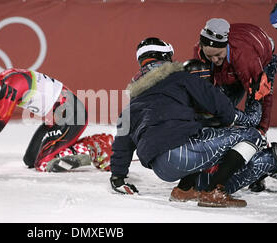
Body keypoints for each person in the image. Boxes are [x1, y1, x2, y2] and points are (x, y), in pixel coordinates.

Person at [109, 37, 265, 207]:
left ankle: (185, 190)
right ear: (166, 57)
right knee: (253, 136)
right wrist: (247, 117)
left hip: (161, 169)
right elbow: (217, 103)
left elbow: (122, 143)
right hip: (181, 153)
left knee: (195, 132)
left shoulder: (132, 103)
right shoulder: (180, 78)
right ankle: (214, 192)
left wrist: (118, 177)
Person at [0, 68, 112, 172]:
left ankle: (95, 146)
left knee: (45, 165)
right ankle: (88, 146)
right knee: (30, 161)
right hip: (57, 119)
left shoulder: (12, 83)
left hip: (73, 115)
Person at [182, 59, 277, 196]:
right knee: (268, 152)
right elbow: (252, 120)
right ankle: (266, 177)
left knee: (246, 143)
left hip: (192, 179)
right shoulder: (212, 104)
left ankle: (259, 180)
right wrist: (256, 94)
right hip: (213, 182)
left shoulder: (180, 103)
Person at [193, 18, 277, 192]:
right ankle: (215, 162)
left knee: (254, 122)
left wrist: (262, 128)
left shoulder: (246, 57)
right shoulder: (201, 53)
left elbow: (265, 96)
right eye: (210, 56)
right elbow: (207, 93)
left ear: (226, 48)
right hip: (230, 70)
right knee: (214, 114)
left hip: (259, 59)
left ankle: (258, 173)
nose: (215, 59)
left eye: (219, 55)